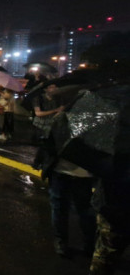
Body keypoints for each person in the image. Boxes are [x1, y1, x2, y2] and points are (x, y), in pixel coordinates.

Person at [31, 83, 95, 257]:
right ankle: (83, 244)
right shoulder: (97, 121)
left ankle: (67, 243)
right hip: (72, 172)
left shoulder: (67, 119)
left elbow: (48, 143)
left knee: (66, 209)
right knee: (79, 210)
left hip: (69, 172)